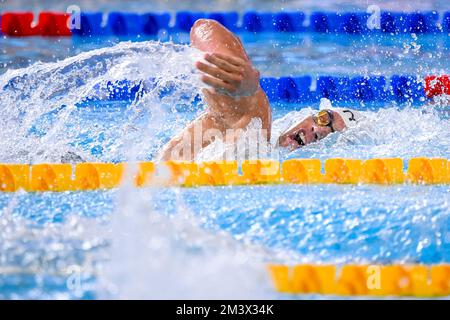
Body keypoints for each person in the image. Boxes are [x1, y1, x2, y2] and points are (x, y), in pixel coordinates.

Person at [158, 19, 362, 161]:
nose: (319, 130)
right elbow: (204, 27)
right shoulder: (256, 124)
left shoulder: (264, 154)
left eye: (330, 135)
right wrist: (236, 76)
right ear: (309, 116)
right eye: (325, 119)